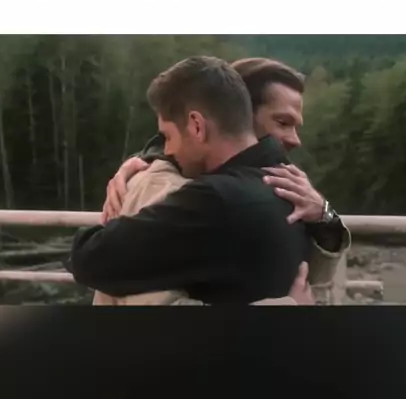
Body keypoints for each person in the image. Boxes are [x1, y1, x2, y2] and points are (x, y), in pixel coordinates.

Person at [101, 57, 350, 303]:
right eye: (283, 122)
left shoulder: (275, 185)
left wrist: (323, 213)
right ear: (240, 112)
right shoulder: (169, 188)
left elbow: (308, 274)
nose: (295, 139)